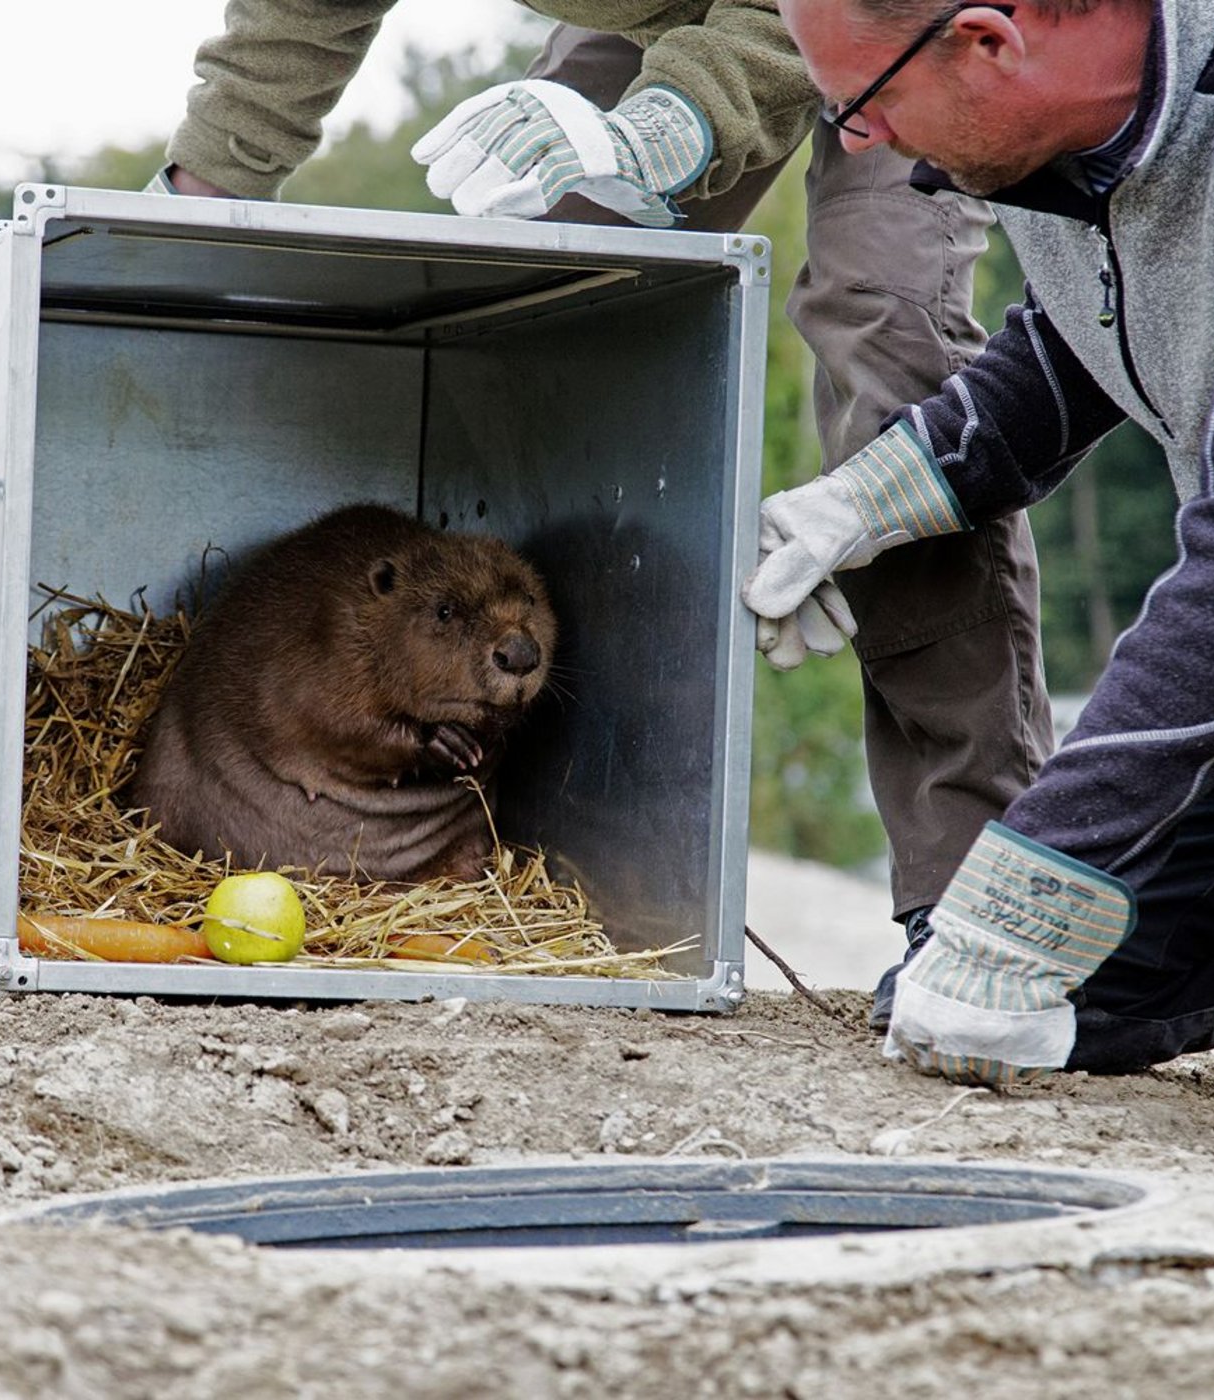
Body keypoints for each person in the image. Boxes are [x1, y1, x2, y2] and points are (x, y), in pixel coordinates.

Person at [150, 3, 1053, 1017]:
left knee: (887, 342)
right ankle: (560, 849)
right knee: (558, 287)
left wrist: (672, 122)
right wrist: (200, 187)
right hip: (662, 12)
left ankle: (975, 905)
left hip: (888, 14)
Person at [753, 0, 1214, 1084]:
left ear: (985, 40)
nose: (851, 142)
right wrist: (866, 499)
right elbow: (1081, 345)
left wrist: (1036, 868)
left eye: (860, 104)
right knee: (1014, 982)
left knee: (1027, 917)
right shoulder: (1053, 146)